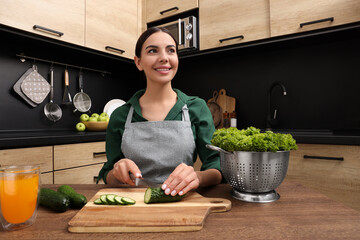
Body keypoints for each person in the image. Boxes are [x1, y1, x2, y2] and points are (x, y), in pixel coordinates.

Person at [97, 27, 222, 197]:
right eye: (153, 51)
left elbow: (215, 165)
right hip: (133, 206)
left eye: (171, 50)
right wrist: (116, 171)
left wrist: (197, 177)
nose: (164, 58)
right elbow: (107, 174)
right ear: (138, 62)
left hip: (182, 203)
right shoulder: (120, 116)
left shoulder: (197, 107)